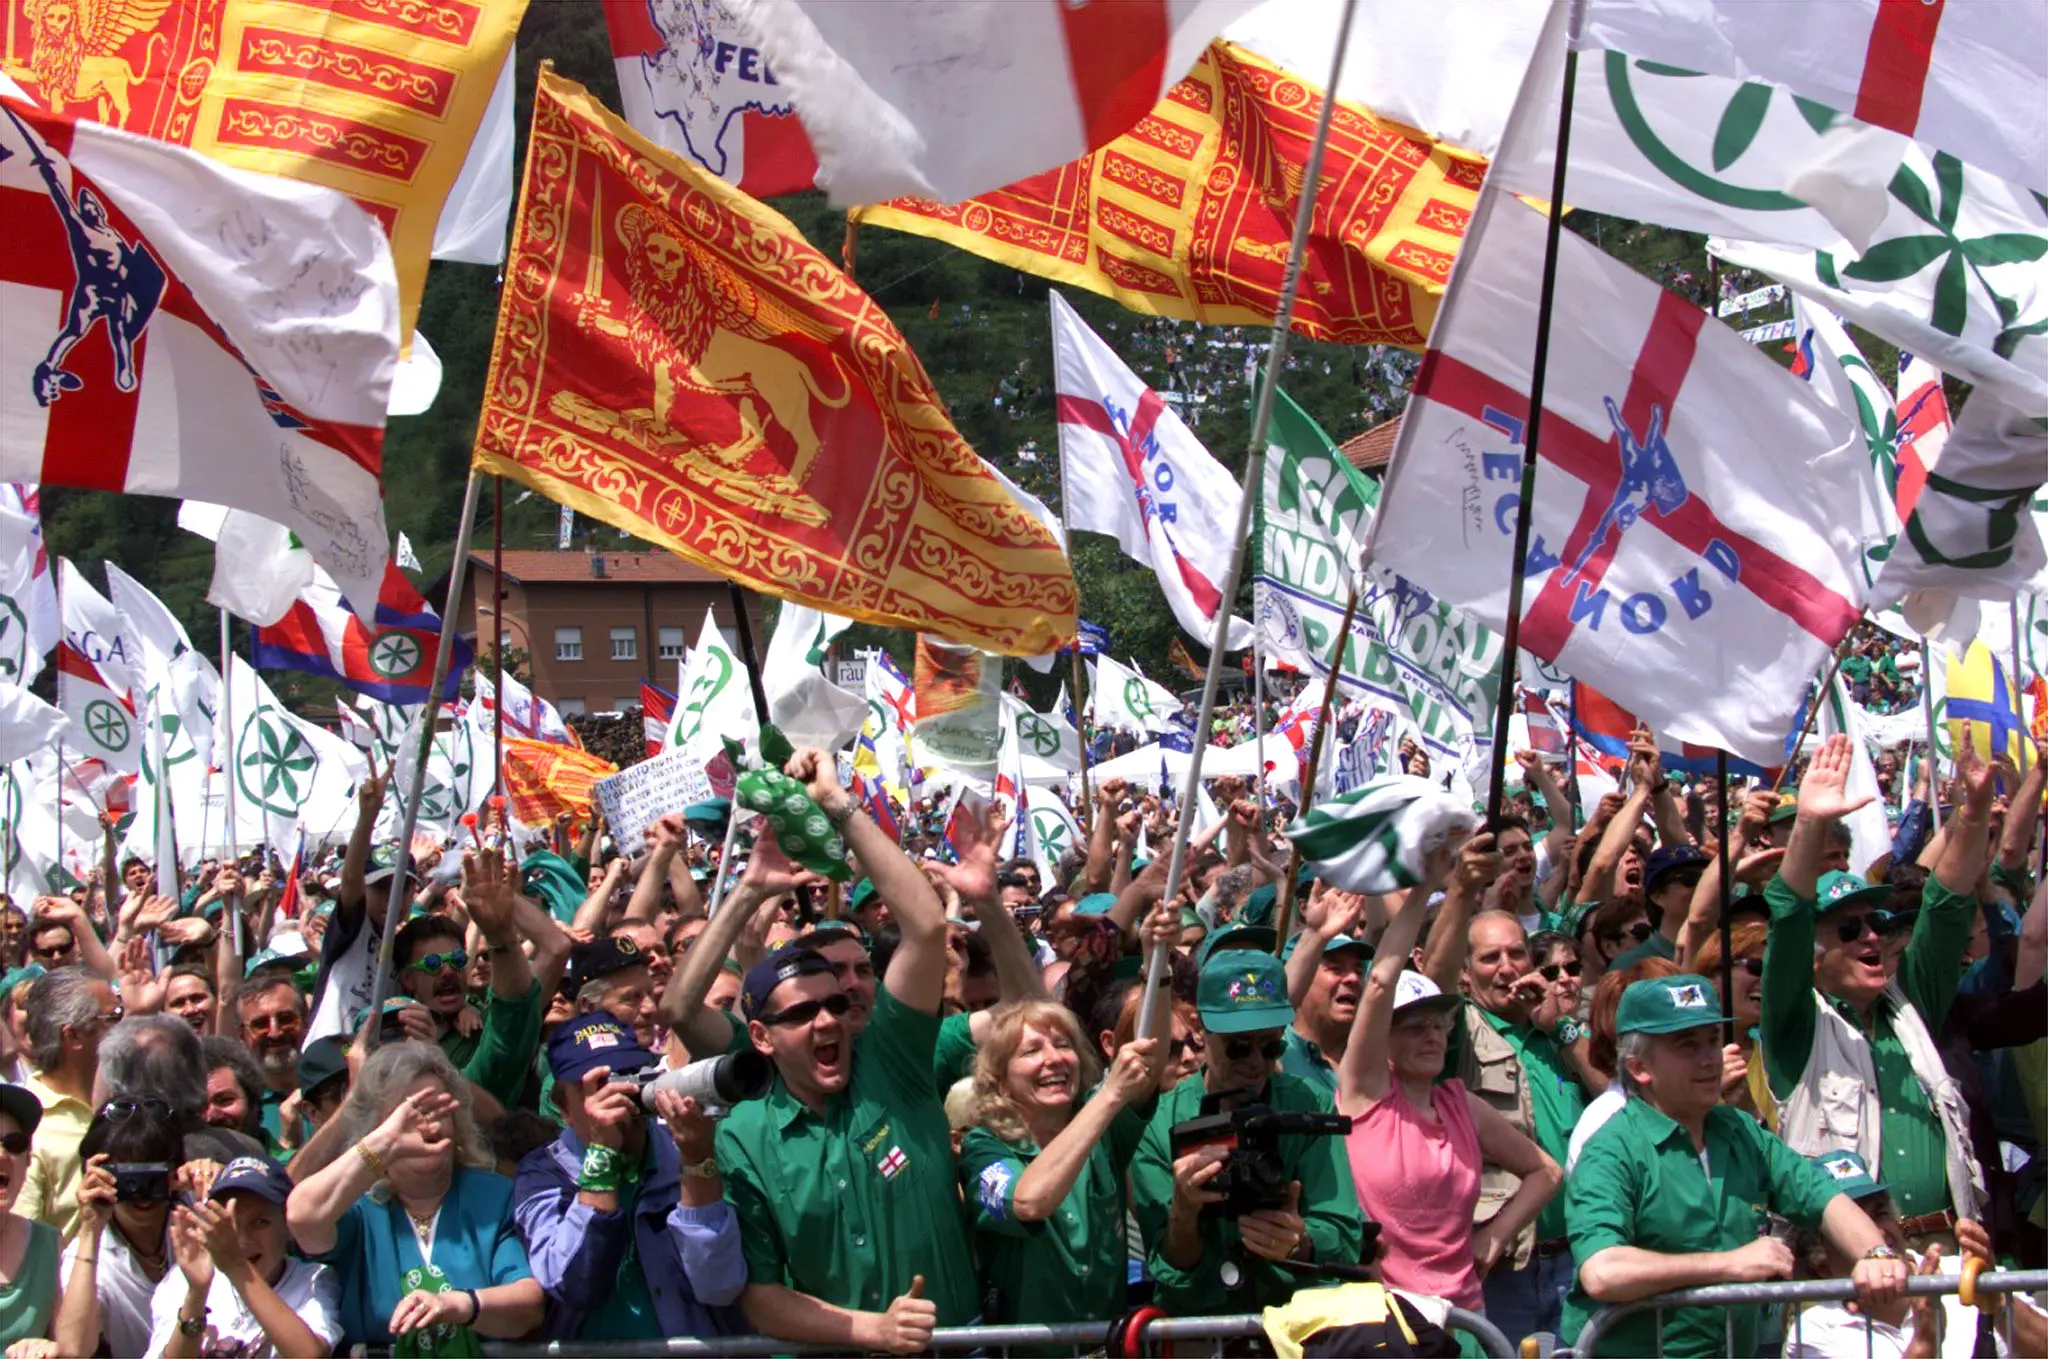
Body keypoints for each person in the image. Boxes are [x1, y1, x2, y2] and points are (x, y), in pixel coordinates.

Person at [714, 749, 976, 1353]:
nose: (828, 1019)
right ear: (762, 1038)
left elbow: (927, 925)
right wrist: (871, 1332)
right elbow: (759, 1293)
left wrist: (839, 805)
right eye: (803, 1012)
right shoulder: (743, 1135)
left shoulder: (891, 1057)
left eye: (834, 1004)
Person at [1565, 974, 1910, 1357]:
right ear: (1639, 1068)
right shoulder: (1612, 1149)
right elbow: (1602, 1271)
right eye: (1687, 1046)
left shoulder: (1739, 1130)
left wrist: (1877, 1256)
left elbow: (1822, 1196)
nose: (1710, 1058)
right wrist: (1728, 1264)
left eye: (1713, 1039)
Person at [1764, 734, 1992, 1246]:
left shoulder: (1910, 1004)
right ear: (1814, 955)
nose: (1870, 936)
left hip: (1946, 1253)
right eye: (1848, 929)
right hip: (1849, 1270)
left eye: (1875, 922)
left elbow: (1948, 905)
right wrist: (1808, 823)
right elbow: (1788, 917)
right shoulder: (1795, 1023)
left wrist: (1973, 814)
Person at [1337, 856, 1560, 1316]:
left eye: (1437, 1023)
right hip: (1388, 1319)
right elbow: (1379, 983)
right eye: (1413, 1026)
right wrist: (1422, 890)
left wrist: (1496, 1235)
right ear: (1384, 1037)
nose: (1432, 1034)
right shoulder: (1365, 1096)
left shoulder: (1461, 1104)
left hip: (1466, 1317)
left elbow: (1547, 1173)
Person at [955, 901, 1175, 1328]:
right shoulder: (984, 1148)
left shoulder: (1103, 1123)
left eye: (1064, 1045)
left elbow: (1151, 1061)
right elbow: (1030, 1201)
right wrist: (1108, 1097)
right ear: (999, 1079)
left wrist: (1157, 965)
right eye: (1032, 1051)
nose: (1054, 1060)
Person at [1425, 831, 1596, 1342]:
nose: (1507, 969)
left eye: (1516, 954)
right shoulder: (1457, 1036)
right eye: (1489, 959)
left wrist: (1560, 1027)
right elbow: (1433, 983)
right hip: (1506, 1271)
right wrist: (1461, 891)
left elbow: (1618, 1093)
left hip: (1579, 1261)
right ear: (1466, 972)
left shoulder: (1561, 1031)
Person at [1130, 946, 1365, 1315]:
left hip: (1295, 1327)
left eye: (1271, 1046)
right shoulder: (1159, 1124)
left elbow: (1344, 1231)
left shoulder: (1309, 1104)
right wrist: (1185, 1212)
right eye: (1238, 1047)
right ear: (1198, 1028)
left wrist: (1299, 1240)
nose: (1255, 1063)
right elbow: (1171, 1264)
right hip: (1201, 1327)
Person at [284, 1041, 544, 1347]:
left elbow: (529, 1306)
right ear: (376, 1128)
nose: (426, 1123)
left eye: (437, 1109)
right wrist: (386, 1143)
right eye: (407, 1115)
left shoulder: (493, 1196)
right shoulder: (356, 1207)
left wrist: (456, 1306)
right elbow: (302, 1217)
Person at [512, 1012, 745, 1341]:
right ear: (562, 1107)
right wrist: (602, 1157)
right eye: (597, 1087)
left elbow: (720, 1286)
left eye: (629, 1075)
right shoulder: (542, 1173)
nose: (620, 1094)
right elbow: (576, 1284)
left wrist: (697, 1160)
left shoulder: (687, 1146)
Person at [1782, 1150, 2048, 1359]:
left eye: (1881, 1214)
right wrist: (1925, 1340)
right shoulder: (1814, 1330)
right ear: (1820, 1263)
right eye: (1855, 1225)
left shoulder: (1964, 1272)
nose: (1878, 1234)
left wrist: (2001, 1306)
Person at [54, 1099, 213, 1358]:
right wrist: (90, 1229)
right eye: (128, 1177)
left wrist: (219, 1193)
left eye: (151, 1175)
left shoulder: (197, 1214)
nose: (141, 1193)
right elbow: (73, 1351)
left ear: (176, 1169)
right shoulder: (92, 1252)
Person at [145, 1155, 343, 1358]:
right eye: (230, 1222)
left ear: (288, 1226)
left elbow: (311, 1355)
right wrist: (197, 1294)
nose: (241, 1239)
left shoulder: (312, 1280)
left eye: (260, 1222)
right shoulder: (183, 1279)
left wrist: (236, 1266)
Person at [16, 967, 119, 1241]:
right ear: (73, 1036)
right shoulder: (28, 1132)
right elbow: (19, 1254)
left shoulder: (126, 1106)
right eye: (113, 1018)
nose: (123, 1028)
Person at [0, 1082, 60, 1356]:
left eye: (13, 1144)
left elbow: (75, 1348)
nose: (2, 1155)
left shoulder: (48, 1244)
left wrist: (52, 1348)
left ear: (28, 1160)